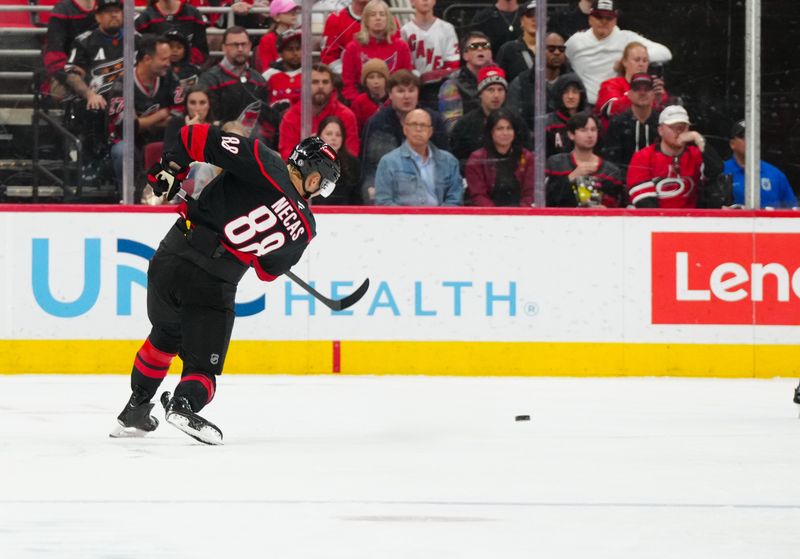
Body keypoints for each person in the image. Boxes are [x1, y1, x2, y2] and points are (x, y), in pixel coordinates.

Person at [110, 128, 341, 445]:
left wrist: (171, 168)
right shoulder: (305, 228)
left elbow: (193, 136)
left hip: (170, 258)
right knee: (203, 367)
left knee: (165, 335)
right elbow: (267, 272)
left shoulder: (264, 161)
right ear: (314, 179)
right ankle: (184, 403)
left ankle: (135, 406)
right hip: (214, 282)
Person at [360, 70, 449, 203]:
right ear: (390, 94)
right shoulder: (377, 123)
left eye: (411, 90)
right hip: (387, 186)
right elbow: (367, 166)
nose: (407, 96)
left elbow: (445, 160)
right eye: (400, 91)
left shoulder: (433, 120)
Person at [107, 34, 178, 202]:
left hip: (162, 139)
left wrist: (143, 121)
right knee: (122, 151)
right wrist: (161, 114)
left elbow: (178, 114)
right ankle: (128, 197)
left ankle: (172, 198)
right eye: (163, 59)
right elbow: (126, 126)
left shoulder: (170, 78)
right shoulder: (122, 84)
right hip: (130, 142)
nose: (168, 63)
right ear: (147, 59)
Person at [565, 0, 671, 106]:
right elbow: (558, 58)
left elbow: (665, 53)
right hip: (583, 106)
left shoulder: (627, 38)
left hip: (617, 104)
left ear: (615, 20)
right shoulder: (576, 41)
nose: (604, 21)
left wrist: (627, 58)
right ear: (590, 19)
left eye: (609, 18)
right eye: (599, 17)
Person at [627, 105, 725, 209]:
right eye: (673, 127)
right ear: (660, 130)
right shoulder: (644, 156)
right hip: (654, 221)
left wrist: (698, 138)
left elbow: (716, 170)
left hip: (692, 220)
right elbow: (643, 201)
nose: (679, 131)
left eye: (683, 127)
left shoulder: (695, 154)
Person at [199, 26, 279, 147]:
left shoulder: (259, 80)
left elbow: (266, 121)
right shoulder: (209, 80)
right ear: (224, 47)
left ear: (250, 45)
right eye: (235, 45)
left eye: (244, 44)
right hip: (220, 144)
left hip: (255, 145)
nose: (240, 49)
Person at [375, 108, 462, 206]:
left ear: (430, 131)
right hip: (402, 219)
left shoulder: (449, 161)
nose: (418, 129)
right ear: (405, 129)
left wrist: (437, 218)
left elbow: (455, 200)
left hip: (440, 219)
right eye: (413, 124)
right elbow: (383, 202)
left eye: (423, 125)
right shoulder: (388, 162)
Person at [450, 66, 531, 170]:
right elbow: (456, 160)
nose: (496, 95)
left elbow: (527, 155)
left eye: (500, 90)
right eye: (490, 90)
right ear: (480, 93)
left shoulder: (517, 122)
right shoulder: (465, 125)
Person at [279, 64, 359, 160]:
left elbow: (352, 152)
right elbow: (286, 154)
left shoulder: (346, 115)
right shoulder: (291, 117)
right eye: (315, 82)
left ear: (332, 86)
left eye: (325, 82)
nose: (320, 86)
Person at [546, 112, 625, 207]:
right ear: (571, 134)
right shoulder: (556, 164)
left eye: (593, 130)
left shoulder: (611, 171)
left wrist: (605, 210)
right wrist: (571, 178)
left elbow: (620, 204)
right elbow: (546, 199)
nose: (590, 135)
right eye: (583, 130)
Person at [340, 0, 413, 104]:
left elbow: (406, 81)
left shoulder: (401, 47)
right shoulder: (352, 48)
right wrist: (361, 103)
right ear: (365, 20)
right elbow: (348, 85)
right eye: (373, 15)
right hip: (361, 104)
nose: (378, 18)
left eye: (382, 14)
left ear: (388, 19)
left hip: (395, 104)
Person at [465, 108, 534, 207]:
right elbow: (478, 195)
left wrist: (519, 214)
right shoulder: (477, 159)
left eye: (509, 128)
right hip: (488, 216)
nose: (505, 133)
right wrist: (497, 215)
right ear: (491, 132)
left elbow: (530, 193)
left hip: (521, 216)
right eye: (499, 129)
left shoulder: (526, 157)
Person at [723, 120, 798, 209]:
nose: (750, 140)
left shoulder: (776, 175)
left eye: (754, 136)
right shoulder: (721, 172)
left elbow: (792, 211)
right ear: (732, 144)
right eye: (744, 136)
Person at [401, 0, 460, 110]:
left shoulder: (447, 28)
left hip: (443, 88)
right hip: (416, 88)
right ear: (412, 2)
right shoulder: (405, 31)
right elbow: (406, 64)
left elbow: (453, 64)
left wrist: (434, 76)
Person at [595, 41, 667, 128]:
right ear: (624, 62)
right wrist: (636, 96)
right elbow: (610, 110)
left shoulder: (654, 88)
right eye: (637, 60)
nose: (641, 64)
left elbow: (664, 117)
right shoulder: (610, 84)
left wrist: (659, 101)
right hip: (618, 135)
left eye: (645, 60)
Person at [506, 31, 571, 126]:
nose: (557, 52)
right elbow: (513, 120)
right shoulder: (521, 83)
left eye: (561, 49)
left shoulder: (573, 82)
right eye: (551, 49)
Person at [602, 72, 660, 175]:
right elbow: (612, 163)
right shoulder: (617, 124)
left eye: (647, 89)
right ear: (629, 94)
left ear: (653, 94)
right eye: (637, 88)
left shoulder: (661, 124)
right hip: (625, 183)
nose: (642, 93)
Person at [321, 0, 401, 74]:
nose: (378, 18)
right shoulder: (336, 19)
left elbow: (399, 56)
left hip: (385, 81)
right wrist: (347, 74)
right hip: (347, 82)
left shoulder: (391, 21)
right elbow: (328, 57)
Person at [438, 31, 495, 132]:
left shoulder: (498, 78)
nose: (480, 49)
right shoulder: (452, 84)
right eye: (474, 46)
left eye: (485, 46)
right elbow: (452, 127)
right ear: (465, 55)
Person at [42, 0, 97, 100]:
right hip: (71, 67)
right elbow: (54, 54)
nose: (114, 14)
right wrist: (72, 71)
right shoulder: (62, 9)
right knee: (60, 91)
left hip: (102, 65)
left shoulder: (109, 6)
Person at [134, 0, 210, 66]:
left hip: (188, 70)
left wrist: (185, 60)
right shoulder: (146, 17)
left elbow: (202, 51)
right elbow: (142, 54)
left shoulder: (193, 14)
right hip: (156, 71)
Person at [313, 116, 363, 205]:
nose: (334, 138)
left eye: (338, 135)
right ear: (319, 136)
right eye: (329, 134)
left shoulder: (353, 164)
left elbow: (357, 199)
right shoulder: (309, 162)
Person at [544, 73, 588, 156]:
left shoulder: (589, 121)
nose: (570, 96)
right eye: (565, 92)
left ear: (581, 95)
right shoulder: (548, 123)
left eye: (575, 92)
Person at [262, 28, 302, 114]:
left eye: (298, 48)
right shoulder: (268, 75)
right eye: (290, 49)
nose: (295, 53)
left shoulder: (310, 73)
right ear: (280, 53)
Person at [495, 0, 537, 82]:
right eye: (530, 15)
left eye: (539, 15)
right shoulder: (508, 50)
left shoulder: (553, 48)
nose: (535, 19)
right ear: (521, 21)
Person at [254, 0, 299, 72]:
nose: (293, 14)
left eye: (294, 11)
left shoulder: (298, 37)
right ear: (276, 17)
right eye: (288, 11)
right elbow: (267, 69)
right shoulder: (267, 39)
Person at [350, 58, 389, 134]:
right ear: (365, 81)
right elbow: (355, 130)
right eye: (371, 77)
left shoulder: (393, 99)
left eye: (380, 77)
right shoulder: (359, 102)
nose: (376, 81)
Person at [164, 29, 200, 110]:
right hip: (163, 111)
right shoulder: (158, 69)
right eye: (170, 46)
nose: (174, 50)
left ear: (185, 51)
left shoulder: (193, 70)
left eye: (179, 47)